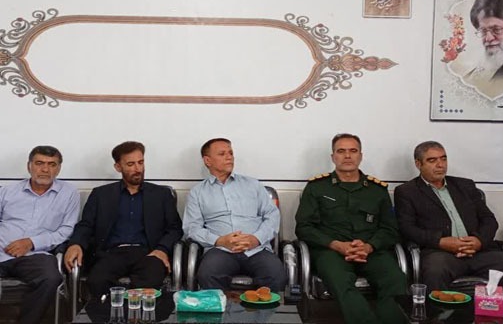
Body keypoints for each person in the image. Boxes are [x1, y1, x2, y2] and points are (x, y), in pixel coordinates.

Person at [394, 141, 503, 324]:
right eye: (432, 160)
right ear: (418, 164)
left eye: (443, 159)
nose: (440, 165)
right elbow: (407, 228)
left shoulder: (465, 186)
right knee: (434, 274)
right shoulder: (407, 191)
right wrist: (441, 241)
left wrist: (478, 241)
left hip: (480, 251)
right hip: (440, 253)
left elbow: (489, 220)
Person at [295, 133, 407, 324]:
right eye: (341, 151)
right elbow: (304, 227)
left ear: (360, 156)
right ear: (333, 157)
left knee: (395, 280)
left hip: (371, 251)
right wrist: (336, 245)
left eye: (353, 151)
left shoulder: (377, 190)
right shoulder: (317, 188)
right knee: (341, 282)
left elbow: (390, 229)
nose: (347, 156)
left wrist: (369, 247)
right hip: (331, 251)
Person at [64, 141, 182, 297]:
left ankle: (135, 313)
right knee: (97, 281)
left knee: (149, 280)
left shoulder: (161, 195)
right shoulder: (101, 195)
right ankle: (110, 312)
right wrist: (75, 244)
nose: (138, 169)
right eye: (131, 164)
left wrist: (162, 249)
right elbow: (86, 225)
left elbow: (175, 228)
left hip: (149, 253)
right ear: (118, 167)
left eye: (140, 162)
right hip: (111, 253)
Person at [183, 138, 285, 291]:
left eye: (230, 153)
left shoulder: (253, 185)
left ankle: (260, 308)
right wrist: (220, 241)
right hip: (220, 250)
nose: (229, 157)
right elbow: (192, 228)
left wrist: (256, 239)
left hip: (256, 249)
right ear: (207, 161)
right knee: (208, 275)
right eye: (222, 154)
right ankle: (218, 307)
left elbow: (272, 215)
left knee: (276, 275)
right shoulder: (197, 192)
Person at [0, 146, 79, 324]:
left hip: (36, 255)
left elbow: (67, 230)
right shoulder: (7, 191)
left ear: (58, 168)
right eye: (39, 163)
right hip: (2, 250)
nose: (45, 169)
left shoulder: (68, 193)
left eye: (52, 164)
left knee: (51, 278)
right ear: (29, 166)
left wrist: (31, 242)